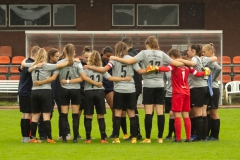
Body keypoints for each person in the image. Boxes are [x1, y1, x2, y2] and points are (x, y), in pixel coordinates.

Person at [110, 36, 185, 143]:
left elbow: (130, 61)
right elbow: (177, 64)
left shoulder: (144, 53)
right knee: (160, 112)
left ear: (147, 44)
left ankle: (148, 138)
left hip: (148, 85)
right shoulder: (162, 53)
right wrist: (187, 62)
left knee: (148, 112)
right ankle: (160, 138)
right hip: (160, 84)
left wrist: (116, 58)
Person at [35, 43, 102, 143]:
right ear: (73, 52)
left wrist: (40, 82)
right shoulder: (77, 63)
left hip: (63, 90)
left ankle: (64, 138)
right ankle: (75, 138)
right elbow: (82, 78)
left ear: (65, 51)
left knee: (63, 115)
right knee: (75, 115)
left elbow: (54, 77)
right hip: (75, 90)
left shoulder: (60, 63)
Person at [64, 50, 132, 143]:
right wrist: (124, 78)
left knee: (88, 116)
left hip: (88, 93)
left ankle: (88, 139)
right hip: (99, 93)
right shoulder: (101, 69)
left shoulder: (86, 69)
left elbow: (82, 78)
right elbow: (110, 78)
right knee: (101, 116)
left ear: (90, 58)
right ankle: (103, 139)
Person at [84, 42, 146, 143]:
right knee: (132, 113)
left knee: (117, 113)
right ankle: (134, 137)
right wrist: (152, 69)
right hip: (130, 89)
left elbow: (104, 69)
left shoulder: (113, 60)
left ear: (116, 49)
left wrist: (90, 67)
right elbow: (139, 71)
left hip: (118, 89)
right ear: (126, 49)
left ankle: (116, 137)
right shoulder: (131, 59)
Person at [146, 48, 208, 142]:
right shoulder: (187, 66)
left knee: (177, 116)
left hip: (177, 93)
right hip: (186, 92)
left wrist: (156, 68)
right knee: (186, 116)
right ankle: (188, 138)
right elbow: (197, 73)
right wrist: (205, 73)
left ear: (172, 57)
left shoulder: (174, 66)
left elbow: (167, 68)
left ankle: (178, 138)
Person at [21, 48, 69, 143]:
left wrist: (25, 59)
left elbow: (23, 64)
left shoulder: (33, 65)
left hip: (34, 92)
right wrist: (71, 60)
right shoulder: (47, 65)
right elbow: (62, 65)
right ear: (45, 56)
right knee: (46, 116)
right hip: (46, 91)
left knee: (35, 116)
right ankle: (49, 138)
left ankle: (33, 138)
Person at [177, 44, 217, 141]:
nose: (187, 52)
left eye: (189, 50)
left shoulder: (195, 59)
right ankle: (204, 136)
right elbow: (214, 58)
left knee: (197, 113)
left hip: (198, 88)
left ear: (193, 51)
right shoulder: (203, 58)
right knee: (203, 113)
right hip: (205, 87)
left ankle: (199, 137)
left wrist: (181, 60)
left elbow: (191, 64)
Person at [100, 46, 129, 139]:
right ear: (103, 53)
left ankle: (114, 131)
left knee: (114, 108)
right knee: (100, 111)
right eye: (106, 56)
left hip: (109, 87)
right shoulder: (99, 61)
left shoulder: (114, 61)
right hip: (99, 86)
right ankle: (102, 133)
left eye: (110, 56)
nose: (108, 58)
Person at [122, 37, 143, 140]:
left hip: (132, 84)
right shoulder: (139, 53)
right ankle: (135, 132)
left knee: (131, 109)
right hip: (137, 83)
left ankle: (136, 133)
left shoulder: (130, 55)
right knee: (132, 108)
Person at [18, 46, 40, 143]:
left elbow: (21, 68)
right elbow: (27, 69)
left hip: (23, 91)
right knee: (27, 114)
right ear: (35, 55)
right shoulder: (29, 63)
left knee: (24, 114)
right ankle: (26, 136)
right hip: (27, 91)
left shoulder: (26, 62)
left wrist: (22, 64)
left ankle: (24, 136)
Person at [202, 43, 221, 140]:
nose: (203, 53)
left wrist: (212, 79)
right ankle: (210, 134)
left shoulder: (212, 61)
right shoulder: (208, 60)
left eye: (204, 52)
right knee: (208, 112)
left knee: (213, 112)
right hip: (209, 88)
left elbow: (218, 68)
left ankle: (215, 135)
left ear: (210, 52)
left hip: (213, 88)